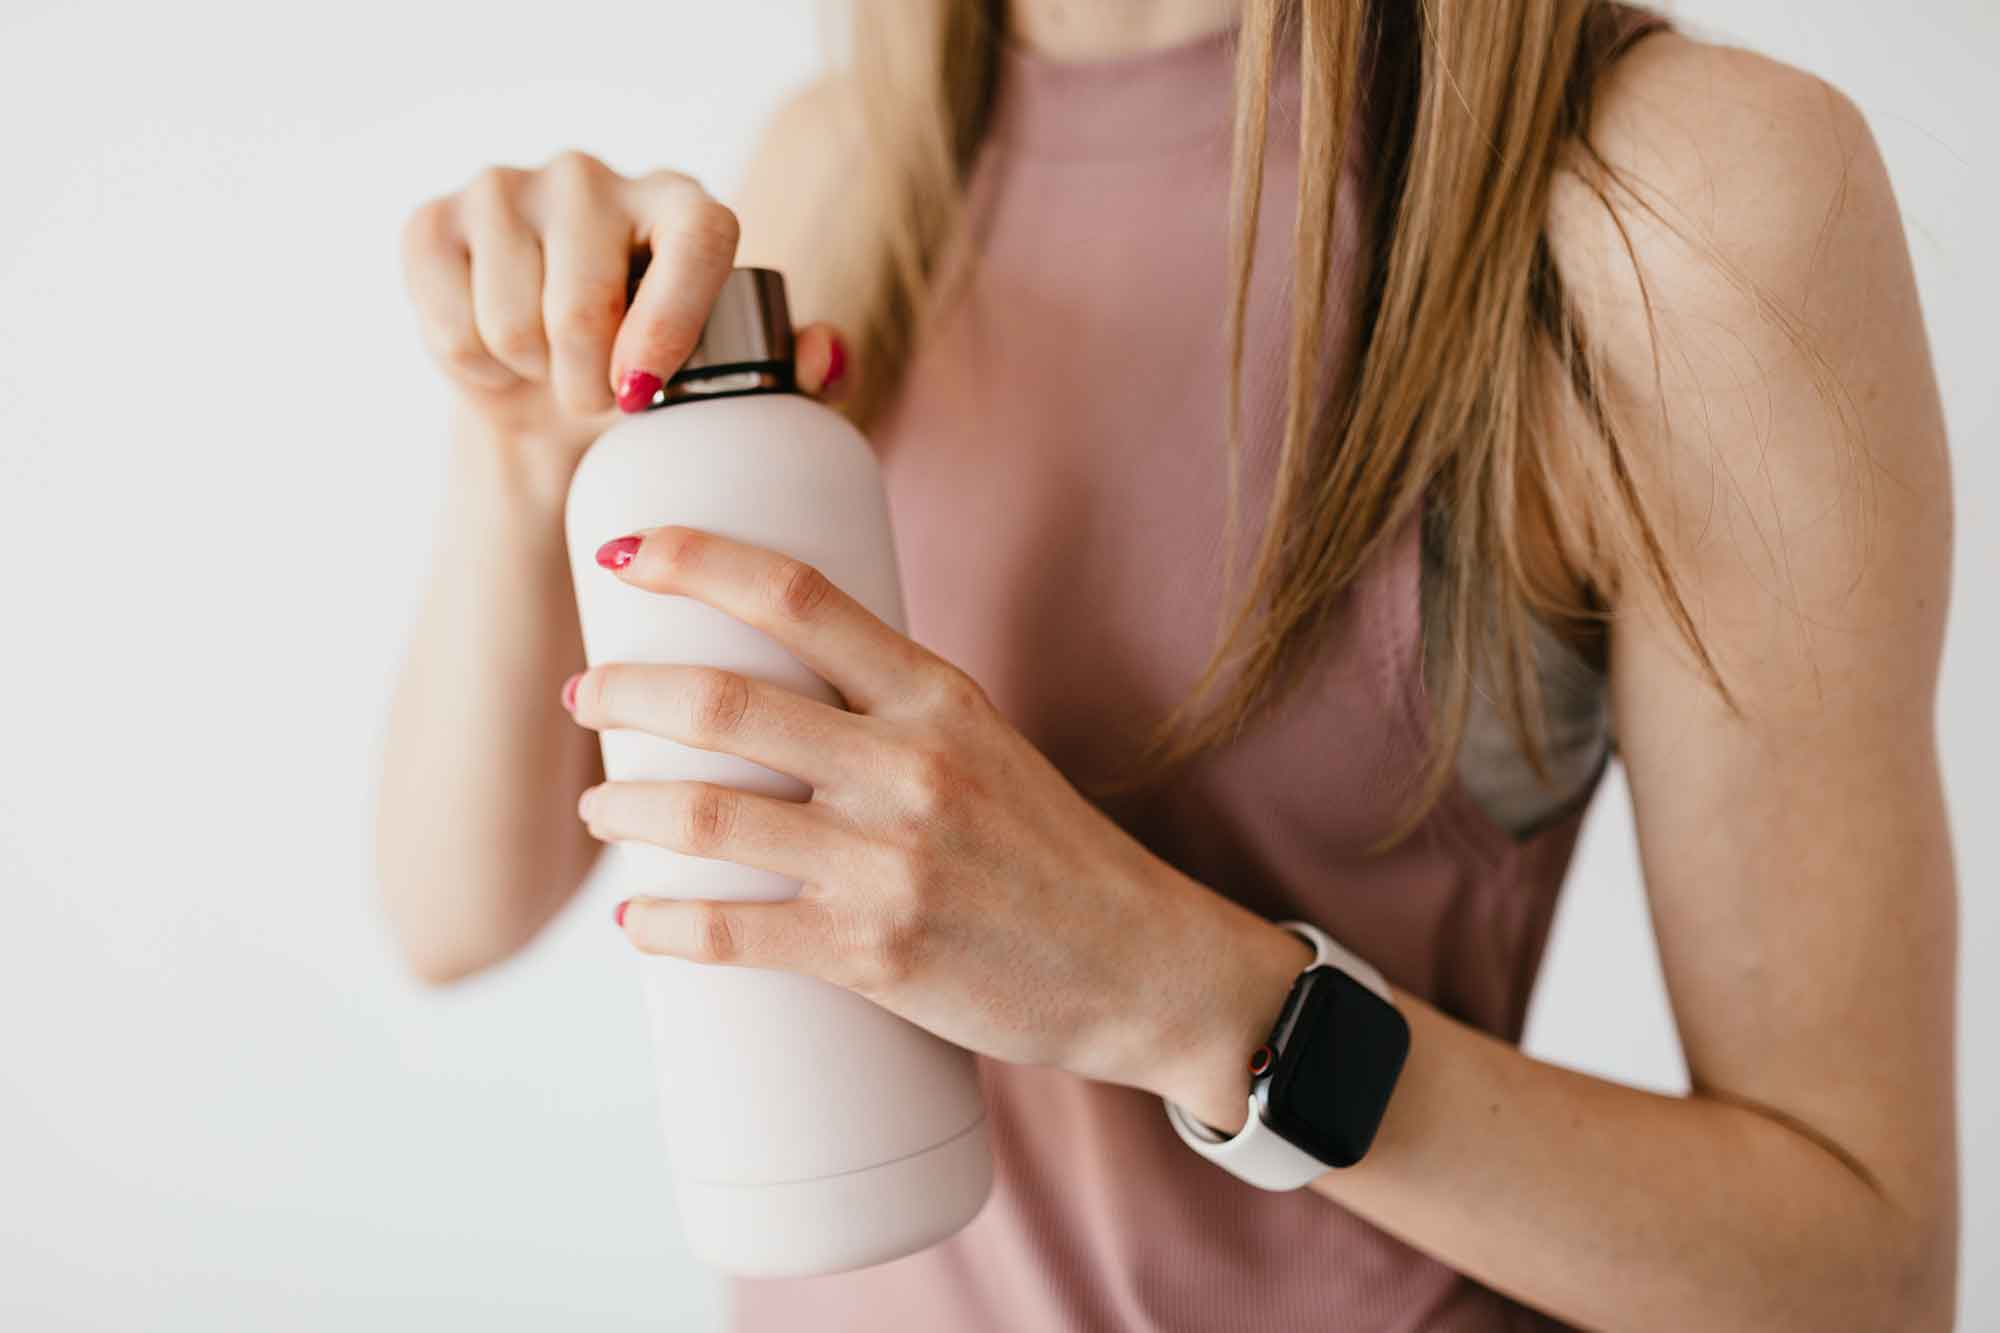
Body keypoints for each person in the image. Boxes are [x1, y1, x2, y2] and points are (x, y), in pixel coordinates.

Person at [375, 2, 1959, 1328]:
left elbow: (1864, 1273)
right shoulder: (852, 164)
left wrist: (1181, 995)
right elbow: (453, 910)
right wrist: (526, 474)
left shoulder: (1673, 200)